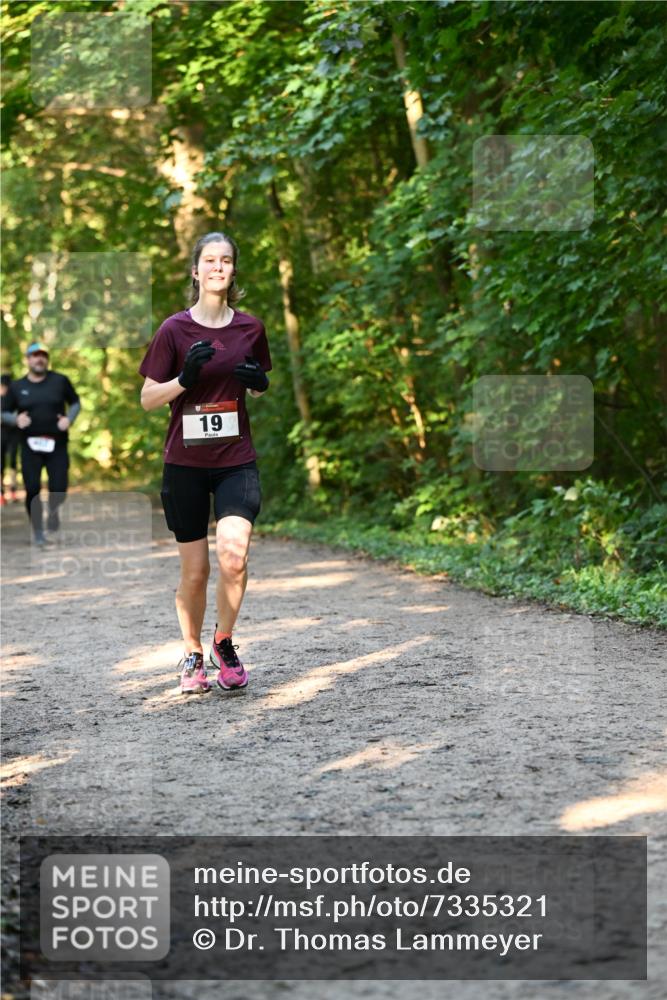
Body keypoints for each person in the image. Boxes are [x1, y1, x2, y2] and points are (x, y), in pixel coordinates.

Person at [139, 232, 272, 695]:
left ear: (234, 271)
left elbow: (255, 383)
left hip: (236, 460)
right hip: (186, 464)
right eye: (210, 260)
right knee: (195, 571)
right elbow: (148, 398)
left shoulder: (250, 329)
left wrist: (260, 384)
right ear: (195, 270)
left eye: (227, 260)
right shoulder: (174, 330)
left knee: (234, 558)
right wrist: (184, 378)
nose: (218, 267)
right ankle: (192, 653)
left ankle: (224, 642)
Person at [1, 344, 80, 545]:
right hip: (29, 445)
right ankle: (38, 531)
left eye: (43, 356)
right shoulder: (17, 387)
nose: (39, 359)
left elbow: (75, 402)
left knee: (59, 488)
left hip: (57, 444)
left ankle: (53, 511)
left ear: (47, 359)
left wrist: (68, 419)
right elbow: (3, 412)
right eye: (35, 356)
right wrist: (15, 420)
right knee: (33, 488)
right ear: (27, 359)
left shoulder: (60, 381)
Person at [1, 374, 20, 504]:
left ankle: (13, 490)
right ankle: (1, 493)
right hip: (1, 434)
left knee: (13, 461)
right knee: (1, 463)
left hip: (14, 433)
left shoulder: (15, 400)